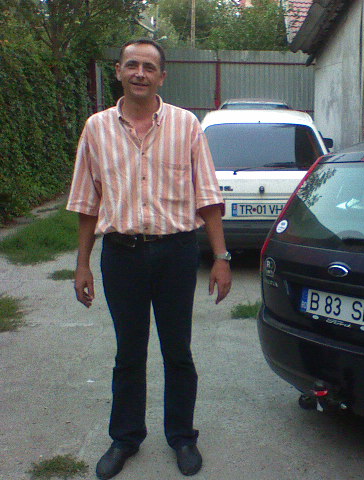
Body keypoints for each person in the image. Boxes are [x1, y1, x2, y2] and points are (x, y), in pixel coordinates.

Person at [67, 38, 232, 479]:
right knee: (129, 353)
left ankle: (182, 436)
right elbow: (86, 203)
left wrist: (221, 257)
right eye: (132, 65)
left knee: (177, 350)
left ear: (162, 76)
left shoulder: (186, 125)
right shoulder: (96, 129)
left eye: (149, 67)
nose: (140, 73)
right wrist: (82, 264)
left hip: (176, 253)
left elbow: (207, 196)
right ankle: (125, 438)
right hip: (121, 256)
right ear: (119, 71)